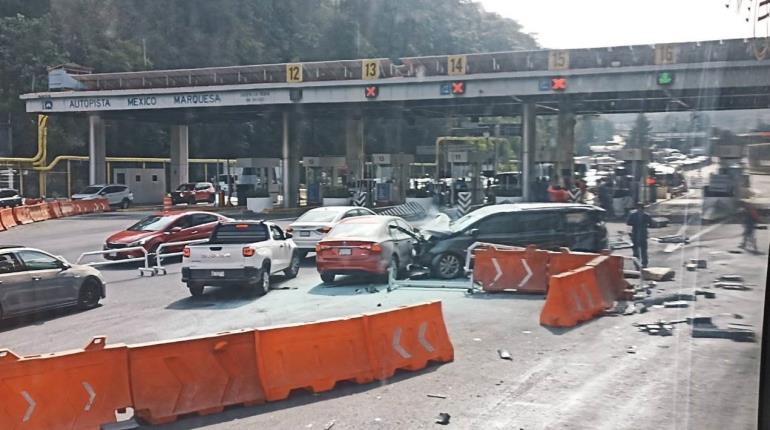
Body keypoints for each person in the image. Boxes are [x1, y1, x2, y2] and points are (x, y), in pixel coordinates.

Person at [626, 202, 653, 268]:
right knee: (636, 251)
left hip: (641, 234)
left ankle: (644, 264)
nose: (640, 210)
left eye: (641, 208)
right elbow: (628, 223)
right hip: (635, 234)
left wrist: (647, 225)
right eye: (639, 208)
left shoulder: (646, 215)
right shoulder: (633, 215)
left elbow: (651, 223)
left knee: (643, 250)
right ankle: (637, 264)